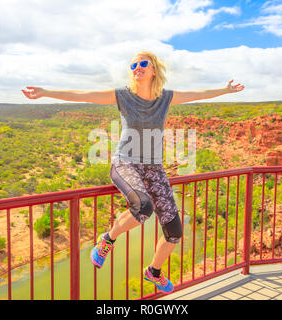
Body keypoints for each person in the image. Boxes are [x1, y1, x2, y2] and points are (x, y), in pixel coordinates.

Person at [22, 50, 244, 294]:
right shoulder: (123, 96)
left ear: (153, 70)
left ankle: (154, 272)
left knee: (174, 231)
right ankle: (107, 239)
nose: (137, 67)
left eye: (142, 64)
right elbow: (82, 95)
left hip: (154, 167)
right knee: (143, 207)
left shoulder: (165, 98)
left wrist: (225, 89)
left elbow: (198, 95)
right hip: (125, 162)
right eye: (133, 65)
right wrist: (45, 92)